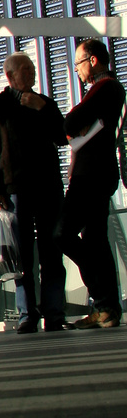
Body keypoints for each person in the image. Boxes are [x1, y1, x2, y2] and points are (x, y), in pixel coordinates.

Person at [0, 52, 66, 333]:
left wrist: (43, 107)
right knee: (22, 255)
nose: (31, 74)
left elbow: (62, 136)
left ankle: (54, 313)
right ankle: (28, 314)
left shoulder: (43, 103)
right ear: (10, 75)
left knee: (52, 252)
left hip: (48, 187)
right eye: (25, 70)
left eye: (32, 69)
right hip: (16, 189)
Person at [60, 38, 126, 329]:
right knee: (96, 241)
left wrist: (74, 123)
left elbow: (70, 124)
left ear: (93, 61)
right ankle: (106, 308)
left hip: (91, 176)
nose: (77, 70)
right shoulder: (107, 89)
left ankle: (103, 300)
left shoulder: (105, 88)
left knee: (59, 233)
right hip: (100, 174)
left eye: (78, 63)